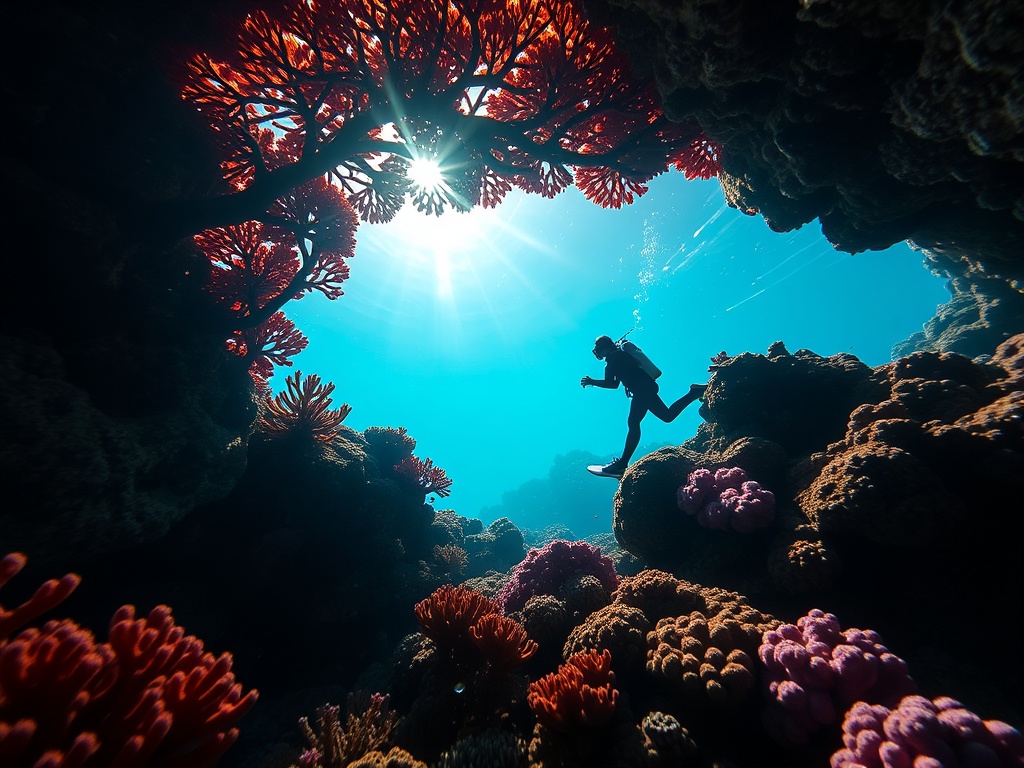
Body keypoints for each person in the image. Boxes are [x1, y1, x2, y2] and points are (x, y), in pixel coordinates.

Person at [581, 335, 706, 478]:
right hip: (646, 388)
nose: (597, 352)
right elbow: (616, 382)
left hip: (642, 391)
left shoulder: (612, 360)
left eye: (598, 348)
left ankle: (622, 464)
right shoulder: (619, 355)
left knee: (633, 423)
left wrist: (592, 381)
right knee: (667, 416)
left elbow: (612, 384)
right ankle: (694, 392)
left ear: (604, 348)